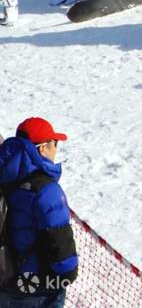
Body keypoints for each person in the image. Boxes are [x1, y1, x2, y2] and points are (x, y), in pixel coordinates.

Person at [0, 117, 78, 306]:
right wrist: (66, 277)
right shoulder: (46, 190)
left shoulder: (4, 176)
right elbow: (59, 241)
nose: (56, 149)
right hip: (37, 288)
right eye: (55, 143)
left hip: (5, 279)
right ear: (43, 148)